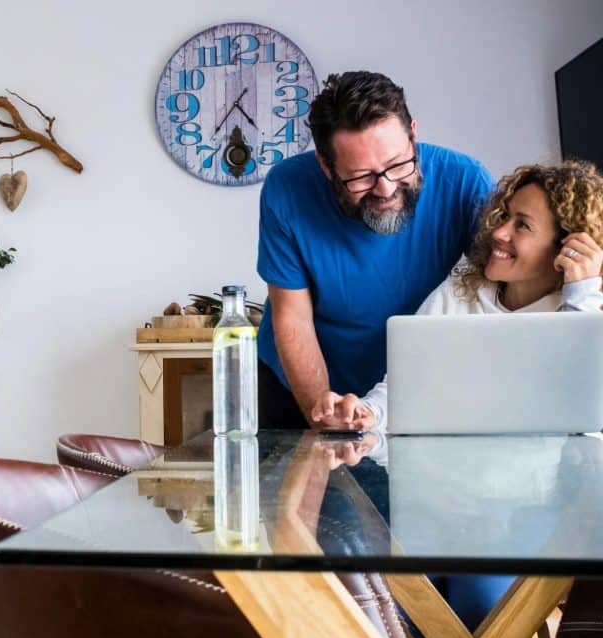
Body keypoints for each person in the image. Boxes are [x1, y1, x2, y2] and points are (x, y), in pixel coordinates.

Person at [256, 70, 494, 429]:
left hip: (421, 383)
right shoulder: (286, 189)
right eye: (360, 176)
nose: (385, 189)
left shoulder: (466, 181)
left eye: (399, 164)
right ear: (326, 165)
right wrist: (325, 417)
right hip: (301, 384)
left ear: (413, 134)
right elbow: (293, 319)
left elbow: (499, 296)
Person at [313, 160, 603, 430]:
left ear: (565, 247)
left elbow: (581, 410)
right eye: (505, 215)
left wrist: (581, 297)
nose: (499, 232)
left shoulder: (583, 307)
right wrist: (365, 413)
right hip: (455, 471)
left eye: (522, 225)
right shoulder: (463, 286)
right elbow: (406, 385)